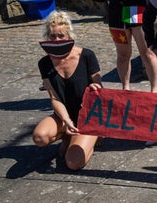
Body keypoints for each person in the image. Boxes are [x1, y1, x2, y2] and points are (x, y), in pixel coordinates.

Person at [32, 10, 103, 171]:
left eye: (61, 36)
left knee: (73, 163)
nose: (57, 40)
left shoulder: (86, 55)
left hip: (87, 117)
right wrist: (67, 120)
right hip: (64, 116)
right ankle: (67, 135)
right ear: (47, 38)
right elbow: (54, 97)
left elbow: (101, 91)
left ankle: (93, 135)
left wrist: (94, 88)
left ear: (69, 36)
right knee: (39, 137)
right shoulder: (44, 63)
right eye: (52, 36)